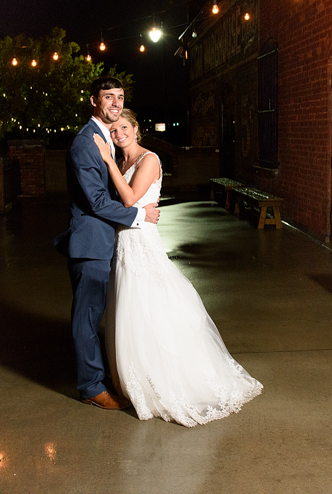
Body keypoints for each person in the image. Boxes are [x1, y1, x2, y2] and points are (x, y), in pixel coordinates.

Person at [92, 109, 262, 426]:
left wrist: (107, 160)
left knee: (152, 305)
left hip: (142, 242)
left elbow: (129, 200)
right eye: (113, 131)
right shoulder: (124, 162)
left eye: (124, 127)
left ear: (136, 129)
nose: (119, 134)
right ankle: (138, 379)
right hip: (125, 242)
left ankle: (172, 378)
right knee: (132, 310)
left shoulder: (149, 160)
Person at [54, 77, 161, 410]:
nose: (115, 103)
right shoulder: (86, 142)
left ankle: (113, 376)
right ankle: (90, 387)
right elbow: (98, 202)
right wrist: (141, 216)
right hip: (90, 244)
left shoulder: (107, 140)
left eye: (120, 97)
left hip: (107, 242)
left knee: (104, 314)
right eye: (108, 97)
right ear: (93, 101)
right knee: (87, 318)